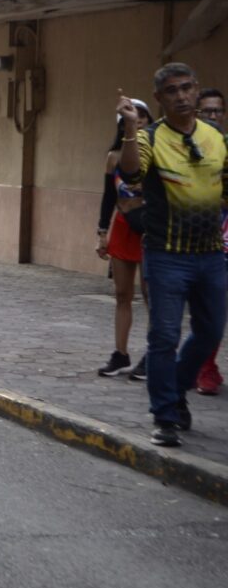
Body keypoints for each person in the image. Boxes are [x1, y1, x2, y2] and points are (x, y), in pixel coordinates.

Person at [117, 63, 228, 447]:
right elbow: (131, 175)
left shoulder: (215, 135)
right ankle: (165, 415)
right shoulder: (149, 137)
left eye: (187, 88)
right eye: (172, 91)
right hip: (166, 254)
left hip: (211, 254)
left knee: (211, 331)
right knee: (163, 336)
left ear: (196, 90)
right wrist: (131, 130)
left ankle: (177, 389)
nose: (181, 96)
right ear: (160, 99)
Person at [95, 99, 154, 379]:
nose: (138, 120)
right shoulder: (114, 157)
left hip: (150, 229)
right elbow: (109, 196)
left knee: (150, 295)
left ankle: (152, 356)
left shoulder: (156, 152)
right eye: (133, 116)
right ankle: (120, 354)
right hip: (122, 225)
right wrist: (101, 231)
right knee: (122, 294)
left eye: (143, 116)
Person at [194, 87, 227, 395]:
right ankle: (204, 368)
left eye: (218, 111)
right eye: (207, 111)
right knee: (210, 311)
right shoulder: (187, 150)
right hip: (203, 243)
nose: (214, 116)